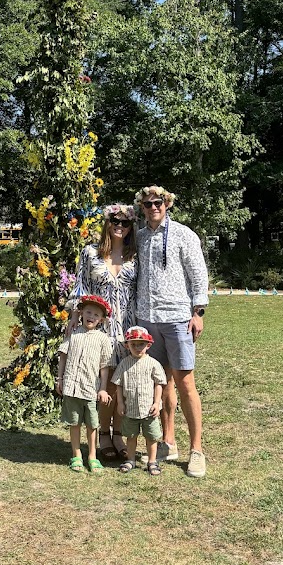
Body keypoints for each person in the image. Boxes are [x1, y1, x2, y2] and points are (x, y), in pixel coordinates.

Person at [135, 184, 209, 479]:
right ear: (142, 208)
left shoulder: (183, 234)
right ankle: (168, 442)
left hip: (178, 318)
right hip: (148, 319)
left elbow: (198, 273)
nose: (154, 207)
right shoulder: (139, 237)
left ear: (167, 204)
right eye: (148, 204)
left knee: (185, 383)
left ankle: (197, 451)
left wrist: (198, 312)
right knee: (161, 382)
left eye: (159, 202)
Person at [70, 203, 137, 461]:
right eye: (115, 221)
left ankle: (118, 434)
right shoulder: (90, 253)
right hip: (100, 327)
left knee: (124, 382)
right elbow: (81, 286)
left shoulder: (134, 256)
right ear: (107, 223)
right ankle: (103, 435)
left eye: (125, 223)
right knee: (105, 381)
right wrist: (74, 316)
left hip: (128, 326)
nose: (120, 226)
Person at [56, 294, 114, 473]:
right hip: (72, 387)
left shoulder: (103, 339)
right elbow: (63, 357)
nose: (91, 317)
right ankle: (76, 455)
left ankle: (92, 456)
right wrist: (60, 379)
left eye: (96, 315)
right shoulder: (73, 333)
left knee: (92, 424)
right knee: (74, 423)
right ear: (81, 313)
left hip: (90, 389)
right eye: (88, 312)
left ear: (101, 319)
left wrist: (103, 389)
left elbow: (104, 366)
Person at [112, 326, 167, 476]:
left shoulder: (153, 363)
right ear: (127, 345)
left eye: (141, 344)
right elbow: (118, 384)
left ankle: (152, 461)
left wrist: (157, 403)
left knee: (151, 437)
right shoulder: (124, 364)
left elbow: (159, 384)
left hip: (149, 409)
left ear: (148, 345)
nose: (137, 348)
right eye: (133, 344)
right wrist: (120, 403)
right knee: (131, 436)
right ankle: (130, 459)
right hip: (131, 409)